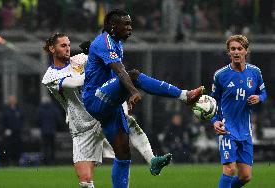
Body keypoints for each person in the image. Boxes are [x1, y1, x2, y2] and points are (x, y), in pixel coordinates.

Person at [82, 9, 204, 188]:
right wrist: (132, 91)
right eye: (126, 24)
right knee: (134, 75)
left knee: (123, 154)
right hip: (95, 99)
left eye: (131, 23)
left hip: (109, 103)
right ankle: (185, 96)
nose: (130, 28)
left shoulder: (115, 42)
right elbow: (120, 72)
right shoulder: (106, 42)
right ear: (113, 26)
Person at [42, 33, 172, 188]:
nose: (68, 49)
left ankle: (152, 160)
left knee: (128, 129)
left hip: (102, 111)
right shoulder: (50, 76)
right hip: (82, 126)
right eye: (63, 46)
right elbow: (76, 82)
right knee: (85, 181)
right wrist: (92, 62)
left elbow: (109, 65)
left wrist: (95, 53)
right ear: (52, 48)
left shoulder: (79, 59)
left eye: (69, 45)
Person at [211, 35, 267, 188]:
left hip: (245, 130)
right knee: (230, 169)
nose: (236, 52)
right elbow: (212, 102)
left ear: (246, 51)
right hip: (227, 128)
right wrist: (215, 120)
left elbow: (264, 93)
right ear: (228, 53)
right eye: (232, 49)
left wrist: (259, 98)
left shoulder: (255, 72)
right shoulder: (221, 75)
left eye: (239, 49)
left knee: (245, 176)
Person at [37, 96, 63, 165]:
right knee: (52, 147)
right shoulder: (54, 109)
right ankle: (52, 161)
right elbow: (59, 120)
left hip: (44, 131)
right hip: (52, 131)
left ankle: (45, 161)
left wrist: (41, 126)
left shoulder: (40, 109)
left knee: (45, 147)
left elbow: (37, 120)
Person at [0, 95, 24, 165]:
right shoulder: (5, 109)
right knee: (8, 147)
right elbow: (3, 121)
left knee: (18, 147)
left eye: (13, 99)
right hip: (9, 132)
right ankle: (8, 161)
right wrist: (5, 129)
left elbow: (23, 119)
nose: (12, 101)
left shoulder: (19, 109)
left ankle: (17, 161)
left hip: (17, 132)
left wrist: (20, 127)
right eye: (11, 100)